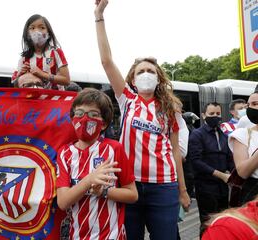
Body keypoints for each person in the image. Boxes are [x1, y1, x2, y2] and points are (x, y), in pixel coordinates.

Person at [94, 1, 190, 239]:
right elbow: (106, 62)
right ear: (133, 81)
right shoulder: (127, 99)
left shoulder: (170, 108)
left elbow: (176, 152)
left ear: (158, 79)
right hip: (129, 186)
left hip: (164, 187)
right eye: (140, 72)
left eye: (151, 72)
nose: (146, 74)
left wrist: (183, 190)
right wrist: (99, 16)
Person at [56, 88, 138, 240]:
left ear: (104, 124)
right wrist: (89, 180)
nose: (85, 119)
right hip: (78, 236)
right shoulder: (64, 153)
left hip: (113, 236)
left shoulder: (114, 149)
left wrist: (104, 192)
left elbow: (132, 194)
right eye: (79, 113)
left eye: (93, 115)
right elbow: (63, 202)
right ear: (72, 117)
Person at [188, 102, 234, 236]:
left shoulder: (225, 136)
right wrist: (220, 174)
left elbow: (229, 159)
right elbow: (196, 161)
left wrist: (234, 173)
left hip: (223, 187)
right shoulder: (197, 135)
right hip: (205, 187)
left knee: (222, 221)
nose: (215, 116)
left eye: (218, 114)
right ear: (203, 115)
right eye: (211, 114)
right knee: (207, 223)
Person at [11, 14, 70, 90]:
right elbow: (16, 87)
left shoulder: (56, 52)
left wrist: (43, 74)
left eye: (42, 27)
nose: (37, 31)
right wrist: (20, 75)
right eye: (32, 28)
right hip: (34, 99)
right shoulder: (24, 58)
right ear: (27, 34)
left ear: (48, 32)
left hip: (55, 99)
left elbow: (67, 80)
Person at [228, 91, 258, 205]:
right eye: (249, 105)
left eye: (256, 103)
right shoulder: (242, 134)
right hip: (253, 196)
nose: (251, 108)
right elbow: (243, 172)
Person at [182, 112, 200, 198]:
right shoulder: (185, 128)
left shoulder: (190, 127)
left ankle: (191, 190)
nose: (193, 121)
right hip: (187, 155)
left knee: (192, 174)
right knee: (189, 175)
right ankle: (188, 191)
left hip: (192, 154)